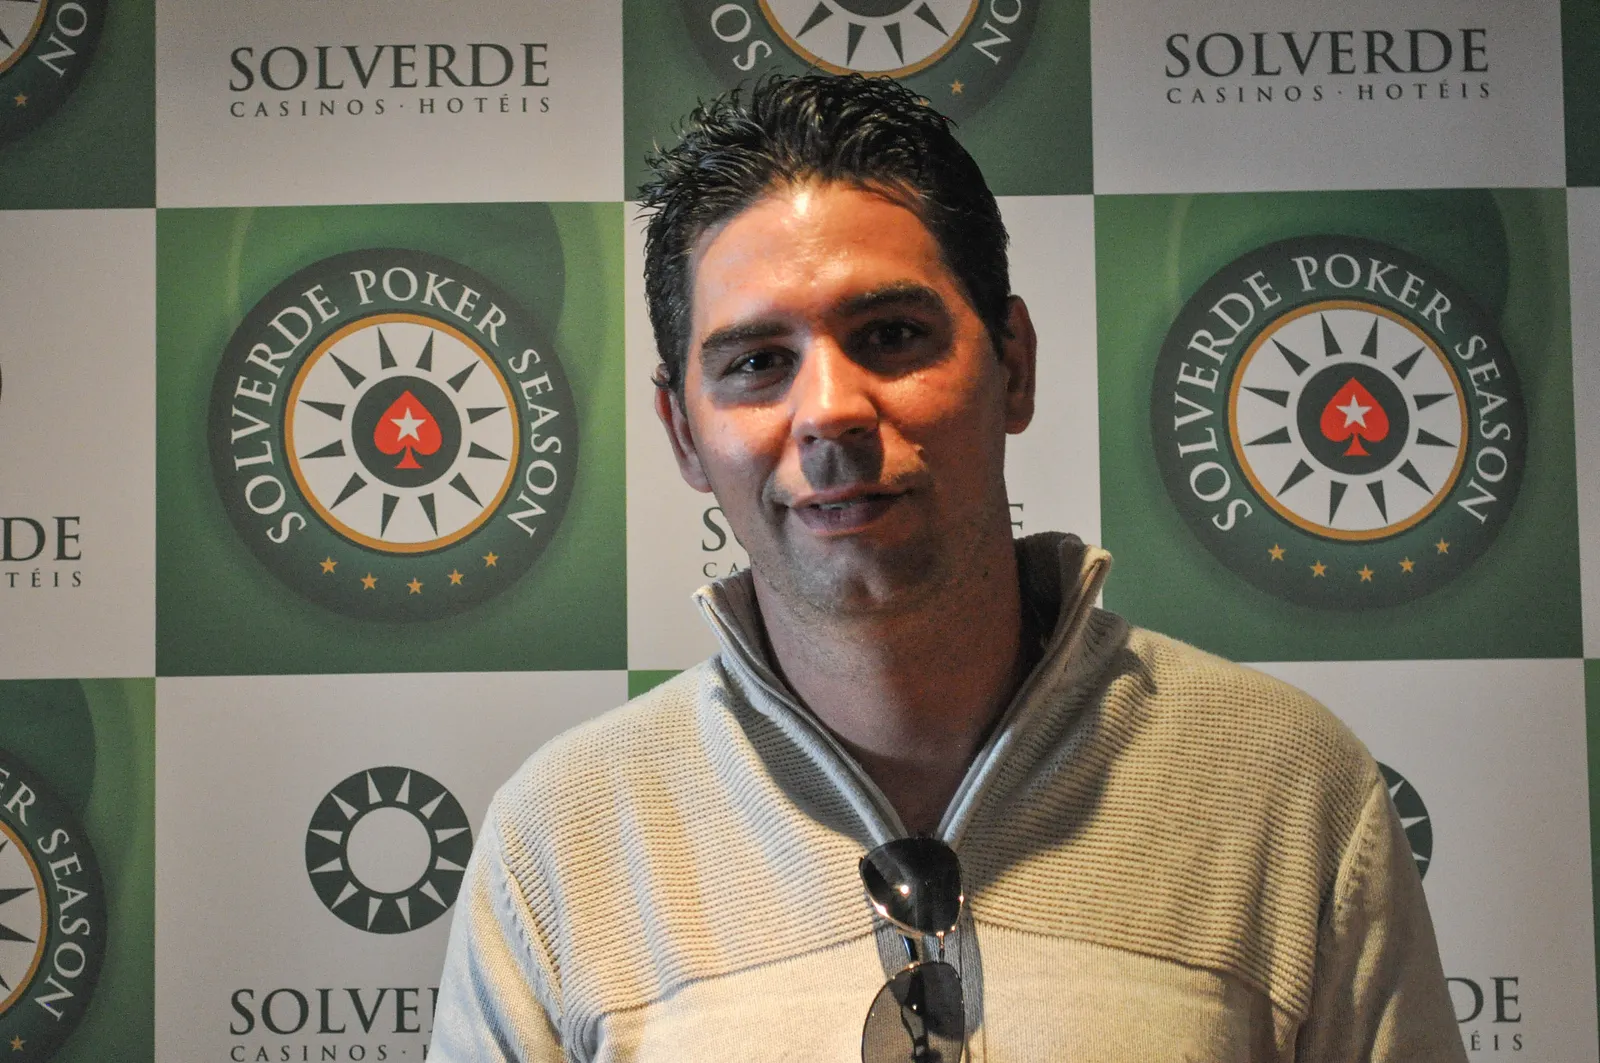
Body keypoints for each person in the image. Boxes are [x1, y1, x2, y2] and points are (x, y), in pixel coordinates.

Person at [429, 74, 1465, 1062]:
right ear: (682, 431)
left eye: (890, 335)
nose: (830, 410)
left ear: (1013, 365)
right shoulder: (558, 841)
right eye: (757, 362)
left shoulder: (1290, 789)